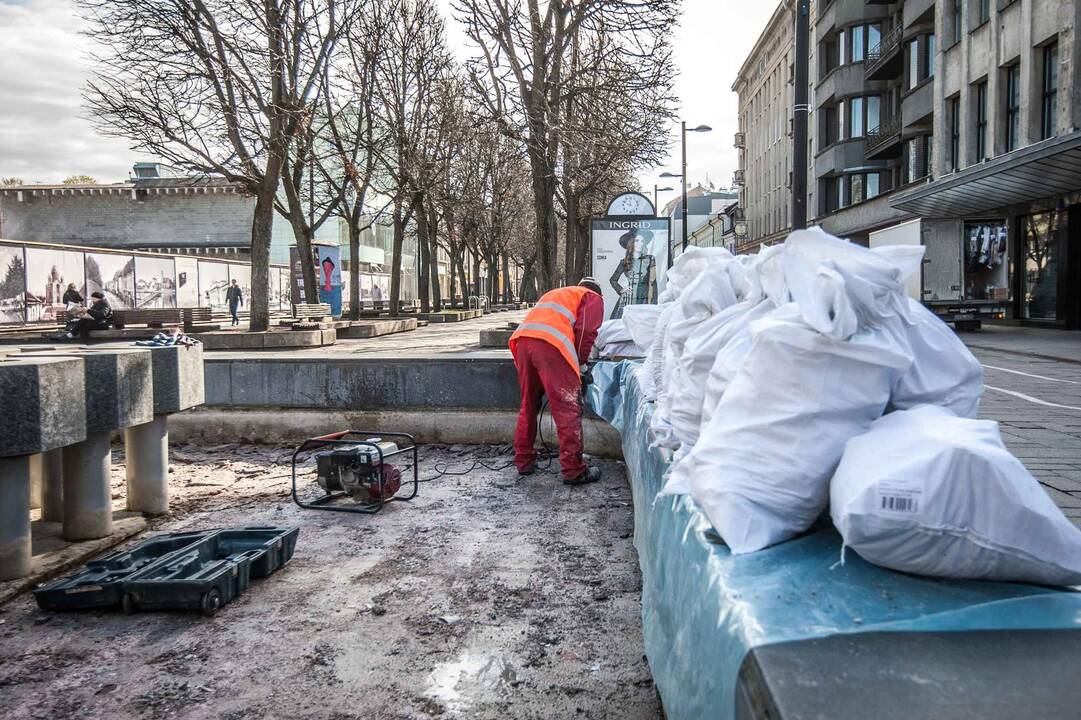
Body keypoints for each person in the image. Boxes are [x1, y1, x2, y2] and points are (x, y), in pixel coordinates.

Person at [508, 278, 604, 485]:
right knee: (567, 407)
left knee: (528, 404)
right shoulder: (593, 297)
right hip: (551, 346)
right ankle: (573, 469)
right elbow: (587, 331)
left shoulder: (558, 293)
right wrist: (580, 363)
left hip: (524, 341)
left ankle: (524, 461)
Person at [609, 228, 658, 319]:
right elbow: (613, 280)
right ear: (631, 243)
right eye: (637, 241)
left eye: (642, 241)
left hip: (644, 299)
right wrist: (621, 289)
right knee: (623, 326)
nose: (640, 243)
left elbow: (653, 283)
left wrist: (654, 303)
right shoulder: (624, 262)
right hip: (628, 299)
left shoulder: (650, 259)